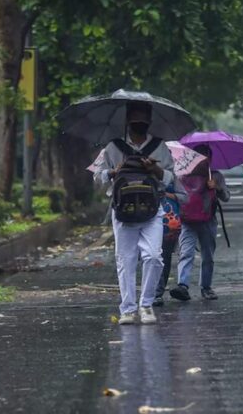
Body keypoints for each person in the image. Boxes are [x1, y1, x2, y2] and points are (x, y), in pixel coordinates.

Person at [94, 101, 176, 325]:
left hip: (152, 210)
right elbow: (97, 176)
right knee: (126, 260)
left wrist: (155, 169)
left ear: (149, 121)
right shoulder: (113, 148)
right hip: (122, 211)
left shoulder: (159, 147)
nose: (139, 123)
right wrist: (113, 171)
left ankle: (146, 305)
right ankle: (128, 309)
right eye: (135, 119)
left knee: (153, 256)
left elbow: (171, 178)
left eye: (143, 119)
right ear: (128, 121)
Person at [170, 144, 230, 301]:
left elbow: (226, 197)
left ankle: (206, 287)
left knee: (207, 255)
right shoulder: (182, 174)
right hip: (187, 220)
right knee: (186, 252)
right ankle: (183, 285)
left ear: (210, 159)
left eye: (205, 156)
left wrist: (216, 187)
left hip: (207, 220)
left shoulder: (215, 176)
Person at [153, 180, 188, 307]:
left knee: (165, 258)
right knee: (152, 256)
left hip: (169, 226)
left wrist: (168, 195)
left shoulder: (173, 178)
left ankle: (158, 292)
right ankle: (155, 293)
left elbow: (184, 197)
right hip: (148, 222)